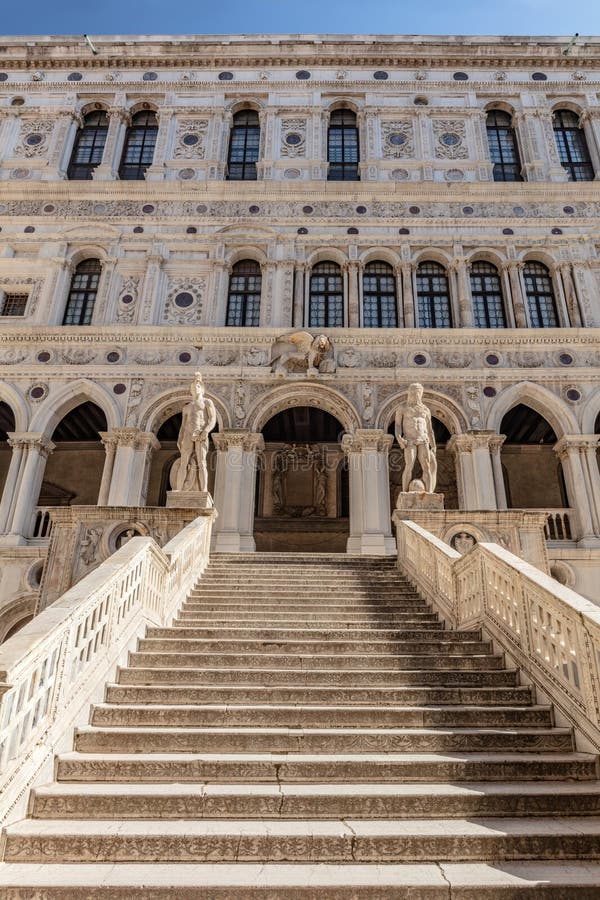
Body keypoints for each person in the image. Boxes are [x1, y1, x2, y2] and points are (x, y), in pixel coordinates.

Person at [174, 372, 217, 492]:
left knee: (202, 462)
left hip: (201, 434)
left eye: (197, 386)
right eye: (193, 387)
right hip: (188, 434)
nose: (195, 389)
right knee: (184, 462)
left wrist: (206, 431)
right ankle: (178, 490)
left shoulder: (207, 402)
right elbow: (183, 425)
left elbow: (212, 419)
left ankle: (203, 490)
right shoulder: (187, 407)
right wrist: (180, 438)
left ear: (202, 389)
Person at [394, 383, 437, 493]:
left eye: (418, 392)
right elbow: (398, 425)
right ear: (409, 393)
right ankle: (404, 492)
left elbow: (429, 428)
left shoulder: (425, 410)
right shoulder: (403, 408)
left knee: (426, 466)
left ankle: (429, 493)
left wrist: (434, 445)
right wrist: (399, 438)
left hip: (423, 439)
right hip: (410, 440)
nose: (415, 394)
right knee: (409, 465)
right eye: (413, 391)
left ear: (421, 393)